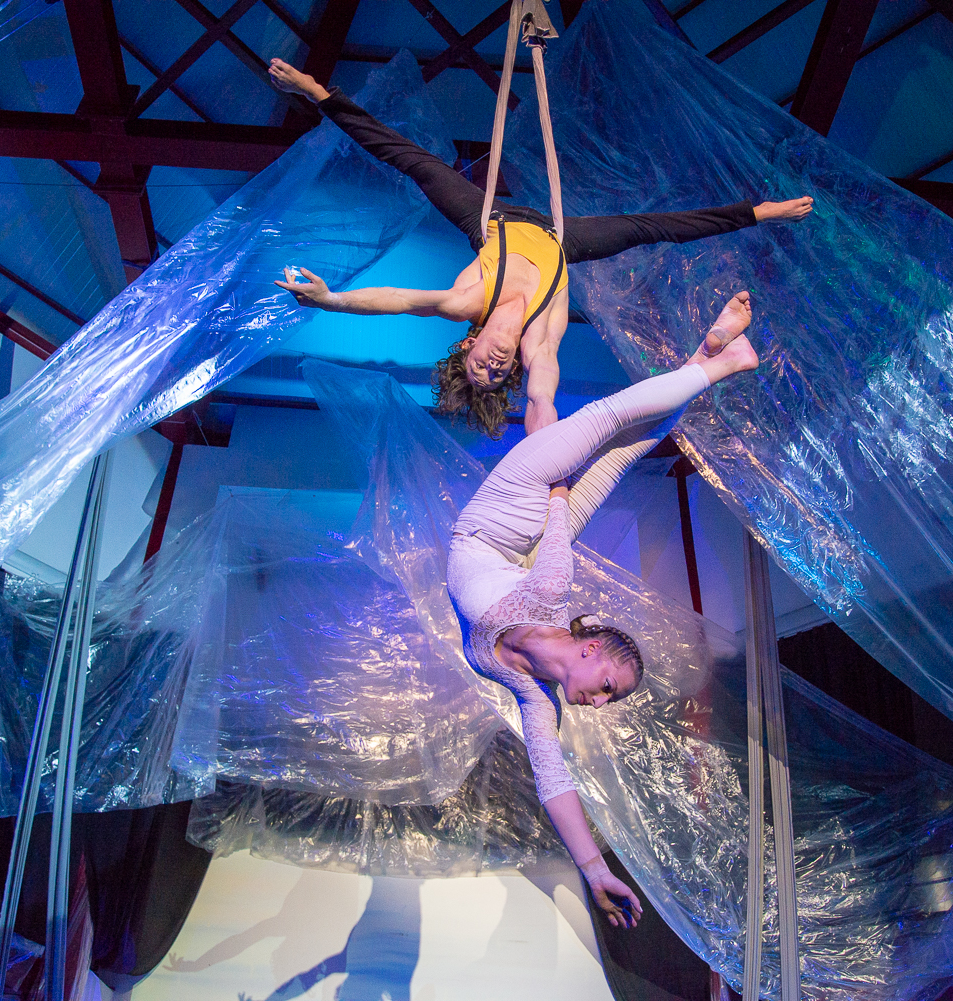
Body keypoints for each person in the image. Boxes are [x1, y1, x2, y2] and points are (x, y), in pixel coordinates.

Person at [267, 57, 811, 438]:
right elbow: (542, 397)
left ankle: (317, 91)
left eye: (479, 369)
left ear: (468, 346)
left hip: (491, 222)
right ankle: (759, 212)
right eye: (497, 377)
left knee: (417, 164)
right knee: (648, 227)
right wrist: (541, 460)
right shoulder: (539, 341)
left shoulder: (465, 304)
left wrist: (331, 300)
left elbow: (398, 300)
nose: (492, 368)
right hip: (559, 241)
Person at [446, 288, 760, 928]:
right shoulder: (550, 594)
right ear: (591, 648)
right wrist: (557, 472)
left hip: (517, 540)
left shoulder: (536, 696)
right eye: (608, 687)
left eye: (607, 698)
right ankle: (723, 364)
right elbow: (558, 518)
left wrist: (593, 869)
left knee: (628, 447)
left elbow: (552, 778)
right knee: (611, 421)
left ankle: (705, 354)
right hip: (521, 500)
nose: (598, 702)